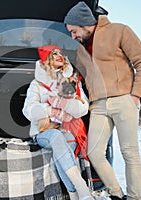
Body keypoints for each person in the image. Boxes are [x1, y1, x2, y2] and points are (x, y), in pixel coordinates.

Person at [63, 2, 141, 200]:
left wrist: (136, 95)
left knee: (129, 152)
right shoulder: (80, 50)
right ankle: (116, 194)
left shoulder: (119, 31)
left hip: (124, 99)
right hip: (98, 106)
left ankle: (134, 197)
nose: (73, 36)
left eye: (74, 31)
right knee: (94, 153)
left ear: (85, 24)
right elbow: (79, 76)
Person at [22, 45, 92, 200]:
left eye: (61, 53)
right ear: (47, 59)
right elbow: (28, 111)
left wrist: (64, 105)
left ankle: (74, 195)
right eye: (55, 54)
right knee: (56, 137)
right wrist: (51, 111)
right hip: (44, 132)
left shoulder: (71, 80)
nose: (60, 56)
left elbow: (83, 108)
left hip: (68, 130)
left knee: (64, 148)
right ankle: (82, 189)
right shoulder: (37, 85)